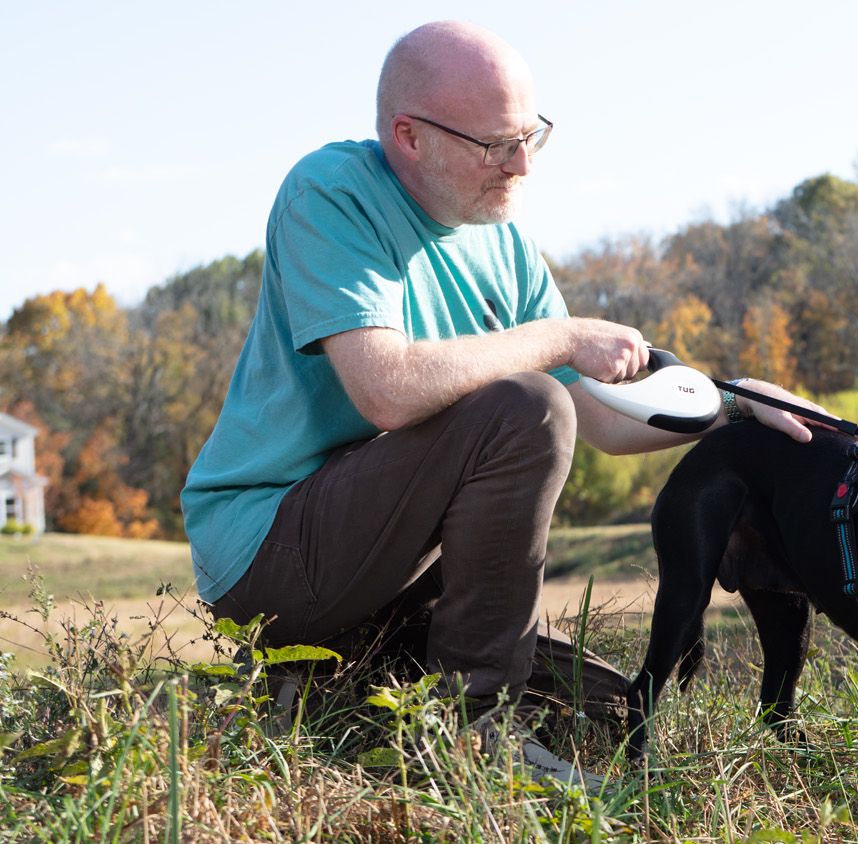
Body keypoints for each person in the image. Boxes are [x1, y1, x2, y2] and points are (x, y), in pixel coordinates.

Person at [181, 20, 824, 788]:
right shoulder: (331, 193)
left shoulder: (504, 241)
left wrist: (732, 403)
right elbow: (386, 390)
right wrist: (557, 338)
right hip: (276, 554)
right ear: (408, 136)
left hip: (405, 567)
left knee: (609, 715)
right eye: (495, 145)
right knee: (526, 405)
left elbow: (604, 421)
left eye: (531, 135)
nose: (521, 163)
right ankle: (470, 737)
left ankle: (354, 680)